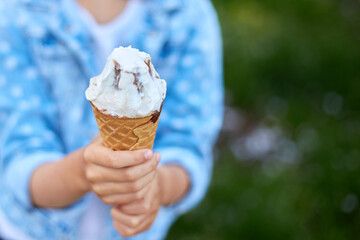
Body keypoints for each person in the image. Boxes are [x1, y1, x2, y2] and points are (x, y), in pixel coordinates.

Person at [0, 0, 223, 239]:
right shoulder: (16, 12)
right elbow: (19, 161)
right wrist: (82, 171)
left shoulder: (187, 13)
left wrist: (156, 187)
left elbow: (188, 146)